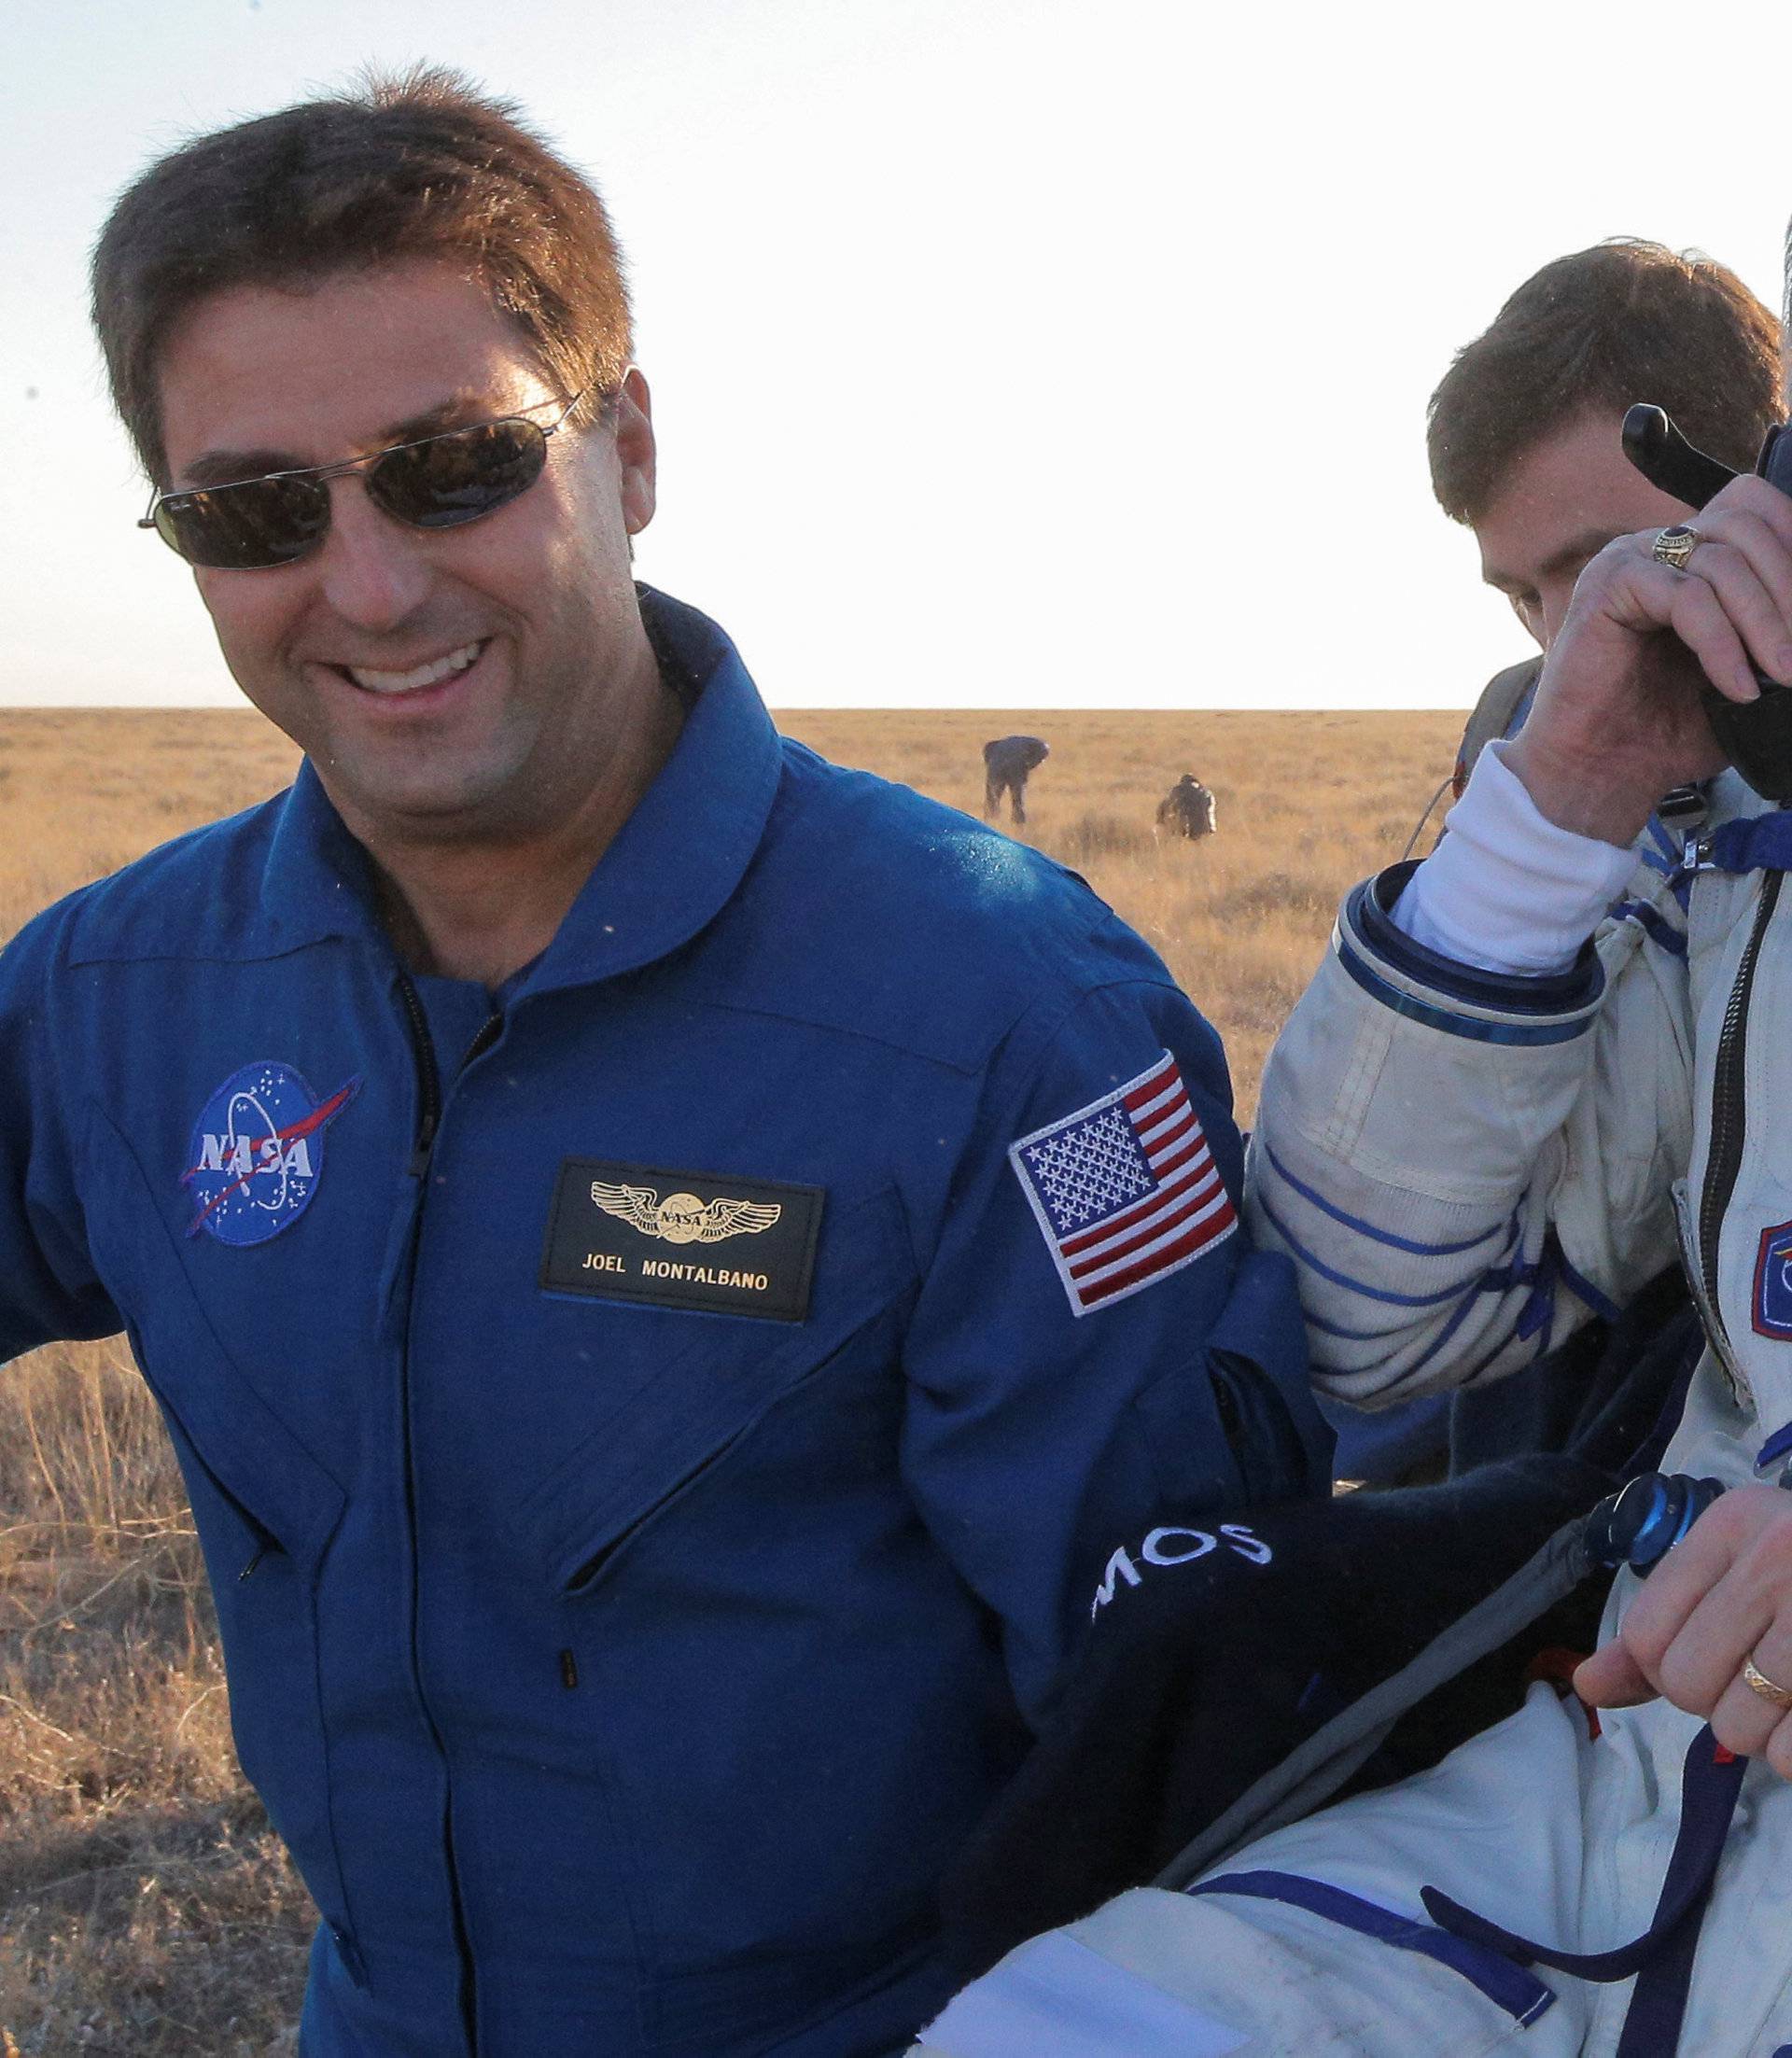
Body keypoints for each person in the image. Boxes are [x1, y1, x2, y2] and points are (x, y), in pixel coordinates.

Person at [9, 69, 1329, 2057]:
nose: (370, 586)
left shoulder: (994, 1013)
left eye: (456, 467)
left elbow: (1189, 1721)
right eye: (259, 507)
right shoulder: (124, 990)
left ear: (628, 447)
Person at [909, 264, 1792, 2051]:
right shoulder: (1689, 864)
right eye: (1532, 592)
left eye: (1629, 558)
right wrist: (1548, 818)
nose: (1588, 625)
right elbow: (1369, 1324)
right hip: (1643, 1756)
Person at [1331, 239, 1782, 1488]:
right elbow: (1364, 1296)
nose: (1571, 632)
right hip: (1603, 1451)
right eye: (1524, 594)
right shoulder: (1530, 744)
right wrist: (1508, 881)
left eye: (1596, 565)